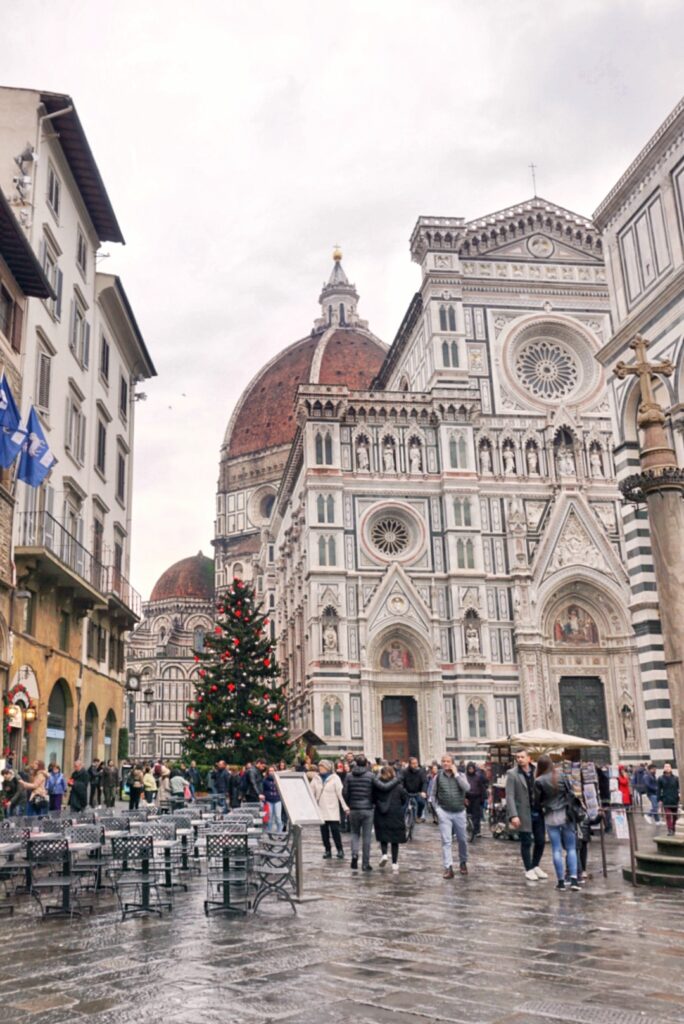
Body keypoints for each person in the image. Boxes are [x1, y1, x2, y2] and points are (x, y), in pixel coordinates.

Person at [534, 755, 580, 891]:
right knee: (571, 848)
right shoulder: (562, 776)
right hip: (565, 814)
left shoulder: (538, 780)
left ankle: (560, 882)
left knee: (556, 849)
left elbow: (536, 801)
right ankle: (573, 880)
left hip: (550, 815)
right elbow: (570, 793)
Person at [505, 749, 547, 881]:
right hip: (522, 812)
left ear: (529, 758)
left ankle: (535, 865)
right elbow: (510, 796)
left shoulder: (537, 771)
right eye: (517, 757)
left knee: (540, 840)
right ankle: (528, 868)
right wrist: (513, 815)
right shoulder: (512, 774)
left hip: (538, 811)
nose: (519, 759)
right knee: (526, 842)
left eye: (522, 757)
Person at [433, 754, 471, 878]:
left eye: (448, 761)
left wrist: (456, 775)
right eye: (443, 761)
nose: (445, 764)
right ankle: (448, 867)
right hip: (444, 812)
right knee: (446, 841)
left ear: (452, 763)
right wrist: (437, 809)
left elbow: (467, 788)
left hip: (459, 811)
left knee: (462, 839)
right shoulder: (438, 777)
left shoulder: (461, 775)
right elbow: (432, 795)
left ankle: (463, 862)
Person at [343, 755, 378, 871]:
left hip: (354, 808)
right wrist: (372, 802)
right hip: (367, 809)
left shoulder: (349, 776)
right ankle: (365, 863)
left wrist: (350, 803)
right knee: (367, 836)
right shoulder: (371, 776)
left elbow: (345, 792)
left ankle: (354, 855)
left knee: (354, 833)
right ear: (366, 764)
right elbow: (375, 791)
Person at [311, 759, 348, 858]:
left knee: (335, 831)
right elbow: (311, 793)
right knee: (324, 833)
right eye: (319, 767)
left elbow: (340, 794)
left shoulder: (335, 778)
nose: (320, 769)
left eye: (322, 767)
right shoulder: (316, 778)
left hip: (332, 809)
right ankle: (327, 850)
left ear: (327, 768)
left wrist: (345, 807)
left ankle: (340, 850)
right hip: (321, 809)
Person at [374, 765, 407, 872]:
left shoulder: (377, 785)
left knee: (383, 835)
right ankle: (394, 863)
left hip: (381, 812)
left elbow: (373, 798)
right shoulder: (398, 786)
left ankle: (384, 854)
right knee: (395, 840)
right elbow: (404, 798)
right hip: (395, 813)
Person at [465, 761, 488, 839]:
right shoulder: (465, 777)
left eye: (472, 768)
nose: (471, 770)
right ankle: (470, 829)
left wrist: (483, 798)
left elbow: (483, 786)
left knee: (476, 815)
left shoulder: (478, 776)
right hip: (468, 798)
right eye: (469, 768)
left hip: (477, 798)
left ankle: (476, 830)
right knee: (469, 815)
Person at [402, 756, 428, 823]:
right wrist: (402, 790)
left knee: (421, 803)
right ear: (409, 764)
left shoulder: (421, 772)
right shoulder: (404, 772)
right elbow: (401, 782)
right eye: (413, 763)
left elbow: (425, 782)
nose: (415, 765)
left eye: (416, 763)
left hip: (417, 792)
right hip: (407, 792)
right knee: (403, 807)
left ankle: (418, 816)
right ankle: (402, 820)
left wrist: (423, 791)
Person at [658, 763, 680, 835]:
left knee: (675, 815)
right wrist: (660, 800)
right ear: (663, 768)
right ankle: (669, 829)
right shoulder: (660, 778)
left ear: (671, 768)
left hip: (674, 799)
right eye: (665, 766)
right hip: (666, 799)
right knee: (668, 815)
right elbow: (659, 789)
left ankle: (673, 828)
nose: (667, 768)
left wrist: (679, 795)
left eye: (668, 766)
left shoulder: (676, 778)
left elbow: (678, 788)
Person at [263, 766, 283, 832]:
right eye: (270, 771)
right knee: (270, 817)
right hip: (269, 800)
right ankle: (269, 831)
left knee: (278, 816)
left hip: (277, 799)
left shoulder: (278, 779)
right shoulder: (265, 780)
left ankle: (279, 831)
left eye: (272, 770)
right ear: (268, 772)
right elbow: (263, 790)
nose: (271, 772)